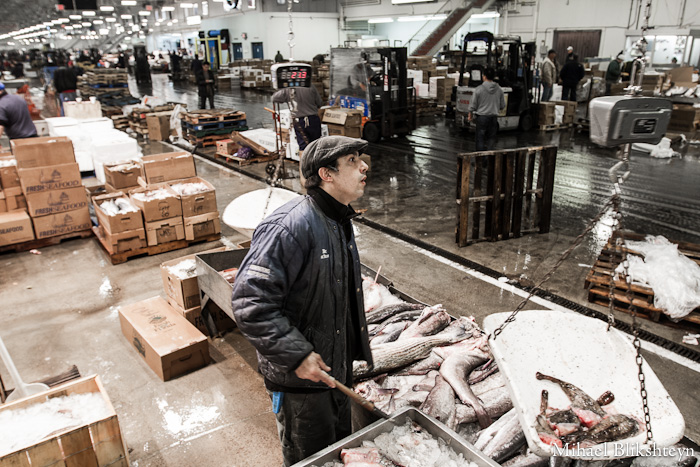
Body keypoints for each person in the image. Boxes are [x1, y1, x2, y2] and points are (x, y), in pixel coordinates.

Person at [231, 135, 372, 467]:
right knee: (309, 459)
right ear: (327, 174)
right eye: (352, 161)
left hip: (332, 375)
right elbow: (250, 303)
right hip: (301, 386)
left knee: (336, 454)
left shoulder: (338, 220)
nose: (364, 166)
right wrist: (297, 354)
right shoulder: (289, 226)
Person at [272, 85, 324, 150]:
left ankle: (303, 159)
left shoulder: (288, 89)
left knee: (303, 146)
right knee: (316, 144)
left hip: (299, 121)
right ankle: (316, 159)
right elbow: (319, 103)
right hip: (313, 119)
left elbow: (274, 98)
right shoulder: (311, 86)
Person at [468, 67, 505, 152]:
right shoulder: (499, 90)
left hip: (481, 118)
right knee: (491, 140)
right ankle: (488, 160)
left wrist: (470, 113)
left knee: (480, 139)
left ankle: (480, 160)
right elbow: (502, 105)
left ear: (484, 76)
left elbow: (473, 104)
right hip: (493, 118)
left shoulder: (479, 89)